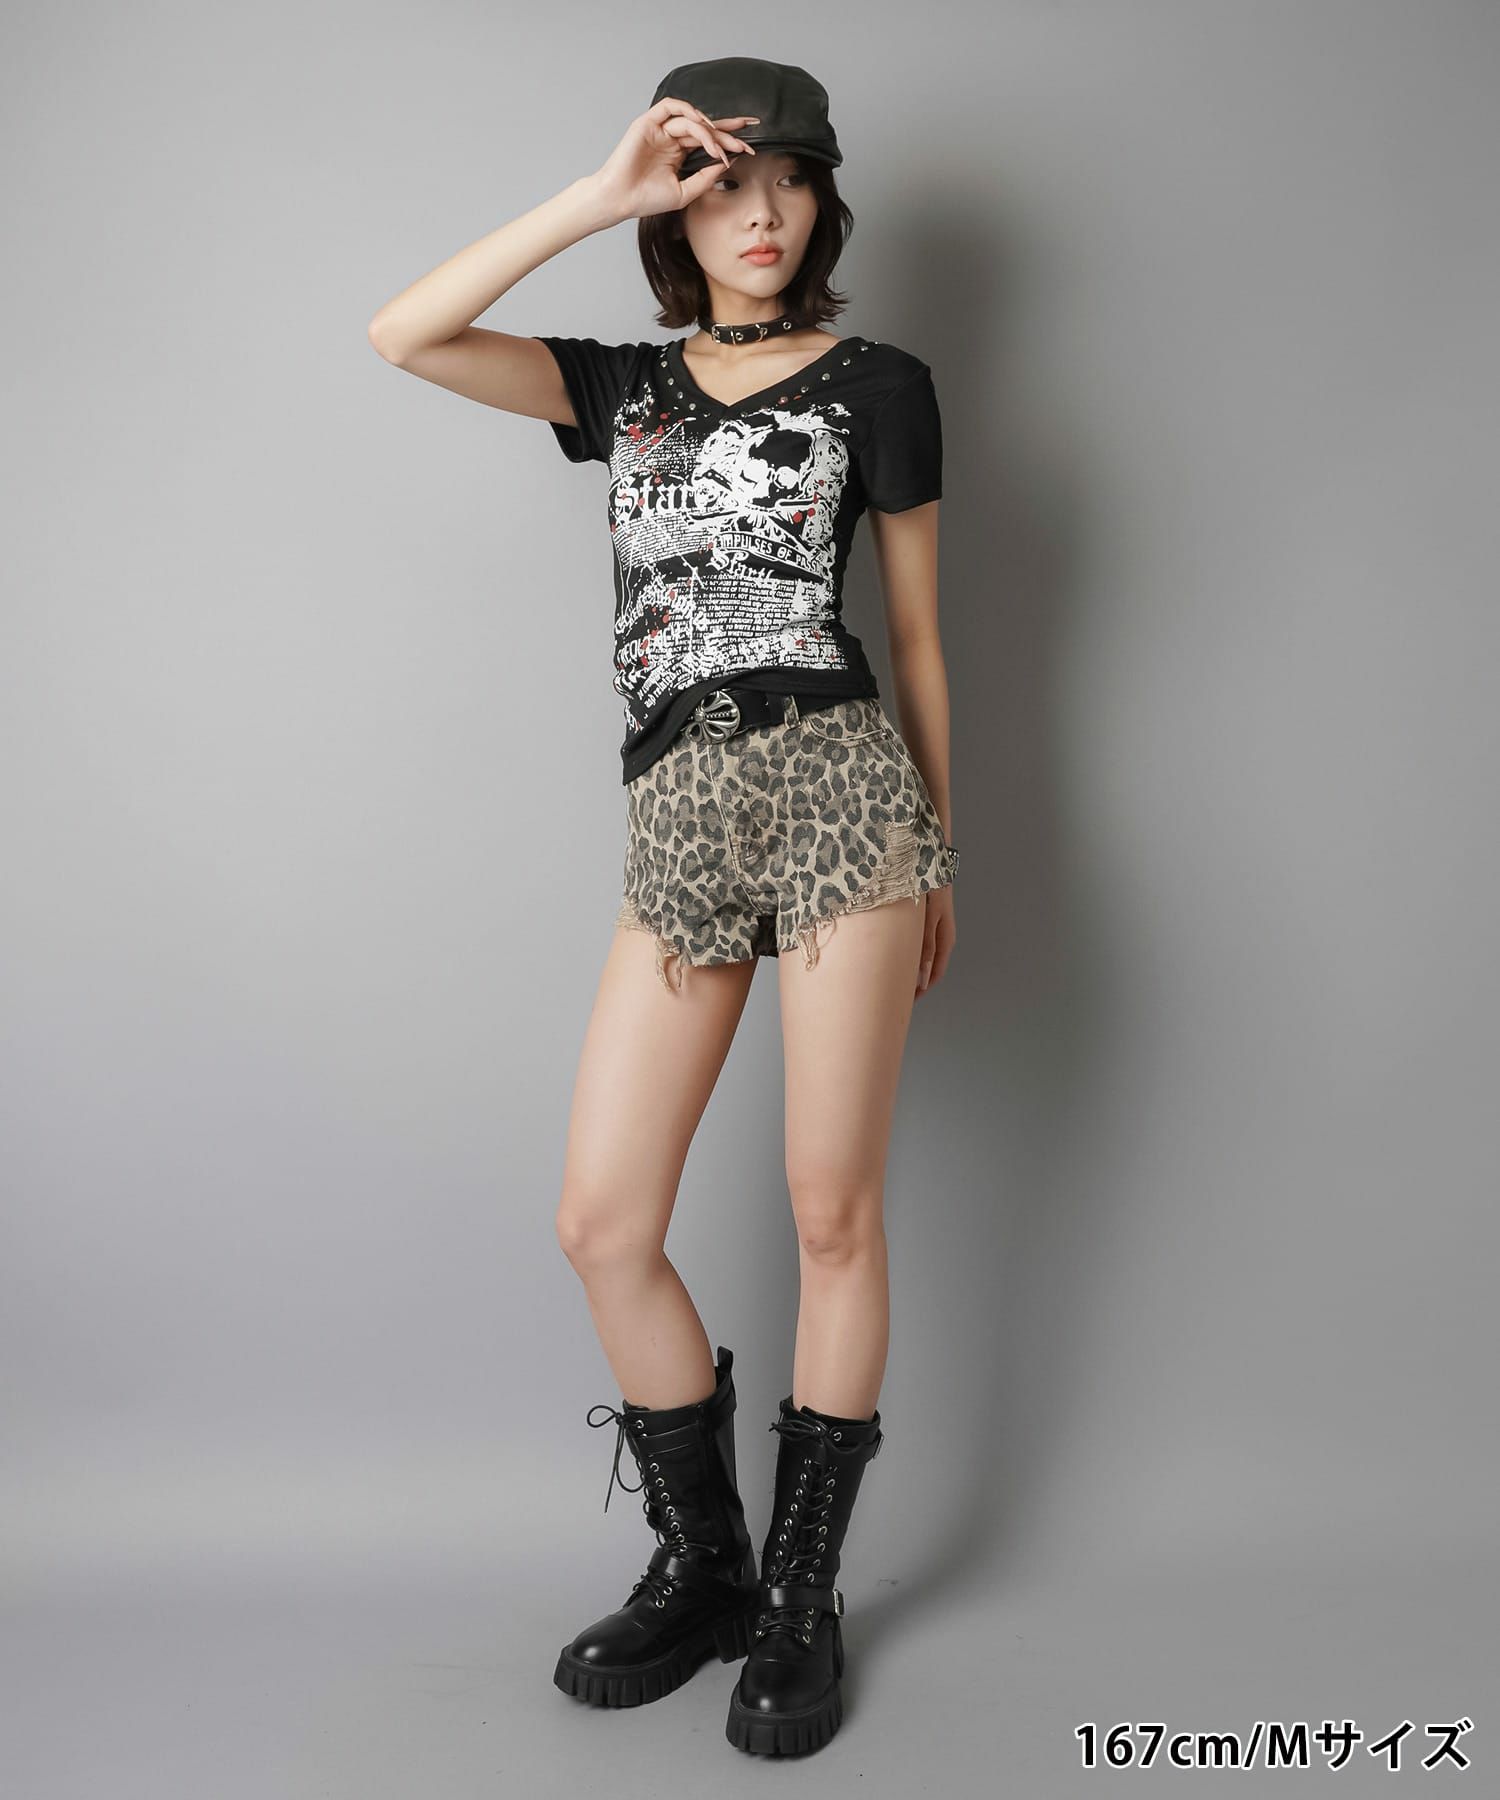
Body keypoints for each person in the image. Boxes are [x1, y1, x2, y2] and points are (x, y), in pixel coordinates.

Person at [368, 56, 959, 1759]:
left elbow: (920, 637)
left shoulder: (882, 384)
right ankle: (706, 1565)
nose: (760, 215)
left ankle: (798, 1601)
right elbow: (405, 332)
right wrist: (598, 192)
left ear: (825, 202)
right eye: (720, 184)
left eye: (789, 182)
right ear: (674, 210)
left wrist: (944, 851)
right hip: (680, 818)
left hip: (843, 794)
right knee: (604, 1220)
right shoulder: (620, 387)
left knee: (831, 1211)